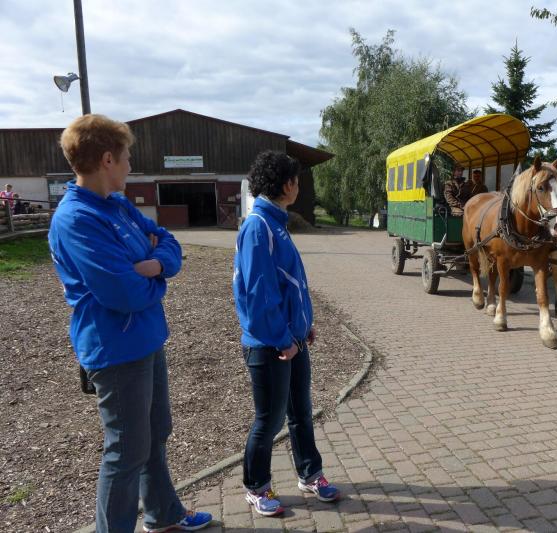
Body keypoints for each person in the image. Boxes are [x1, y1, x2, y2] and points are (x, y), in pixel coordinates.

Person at [48, 114, 212, 533]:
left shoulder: (117, 206)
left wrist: (154, 266)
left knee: (155, 433)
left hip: (146, 337)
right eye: (126, 157)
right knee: (125, 451)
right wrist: (156, 278)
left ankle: (163, 515)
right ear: (107, 160)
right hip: (116, 349)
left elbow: (168, 241)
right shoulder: (77, 219)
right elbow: (121, 293)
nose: (130, 165)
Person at [233, 150, 340, 517]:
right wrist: (283, 340)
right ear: (285, 184)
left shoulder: (275, 223)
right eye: (296, 179)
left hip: (291, 341)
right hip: (270, 345)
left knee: (301, 414)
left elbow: (289, 285)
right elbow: (259, 295)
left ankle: (310, 474)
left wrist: (302, 328)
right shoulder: (258, 227)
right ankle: (256, 486)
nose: (299, 185)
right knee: (269, 421)